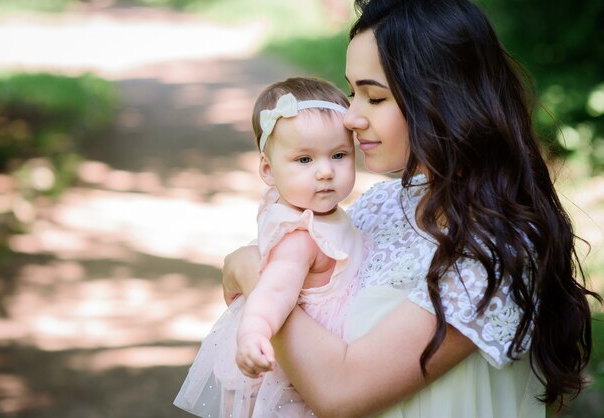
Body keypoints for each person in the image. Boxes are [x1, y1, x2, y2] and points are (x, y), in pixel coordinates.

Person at [222, 0, 602, 417]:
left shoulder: (493, 246)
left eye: (374, 97)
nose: (350, 117)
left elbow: (340, 388)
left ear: (438, 98)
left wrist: (250, 269)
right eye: (352, 93)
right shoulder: (376, 207)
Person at [174, 77, 364, 417]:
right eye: (304, 160)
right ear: (267, 169)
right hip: (290, 379)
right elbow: (275, 289)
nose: (324, 172)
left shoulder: (306, 209)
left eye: (338, 155)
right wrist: (255, 331)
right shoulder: (302, 235)